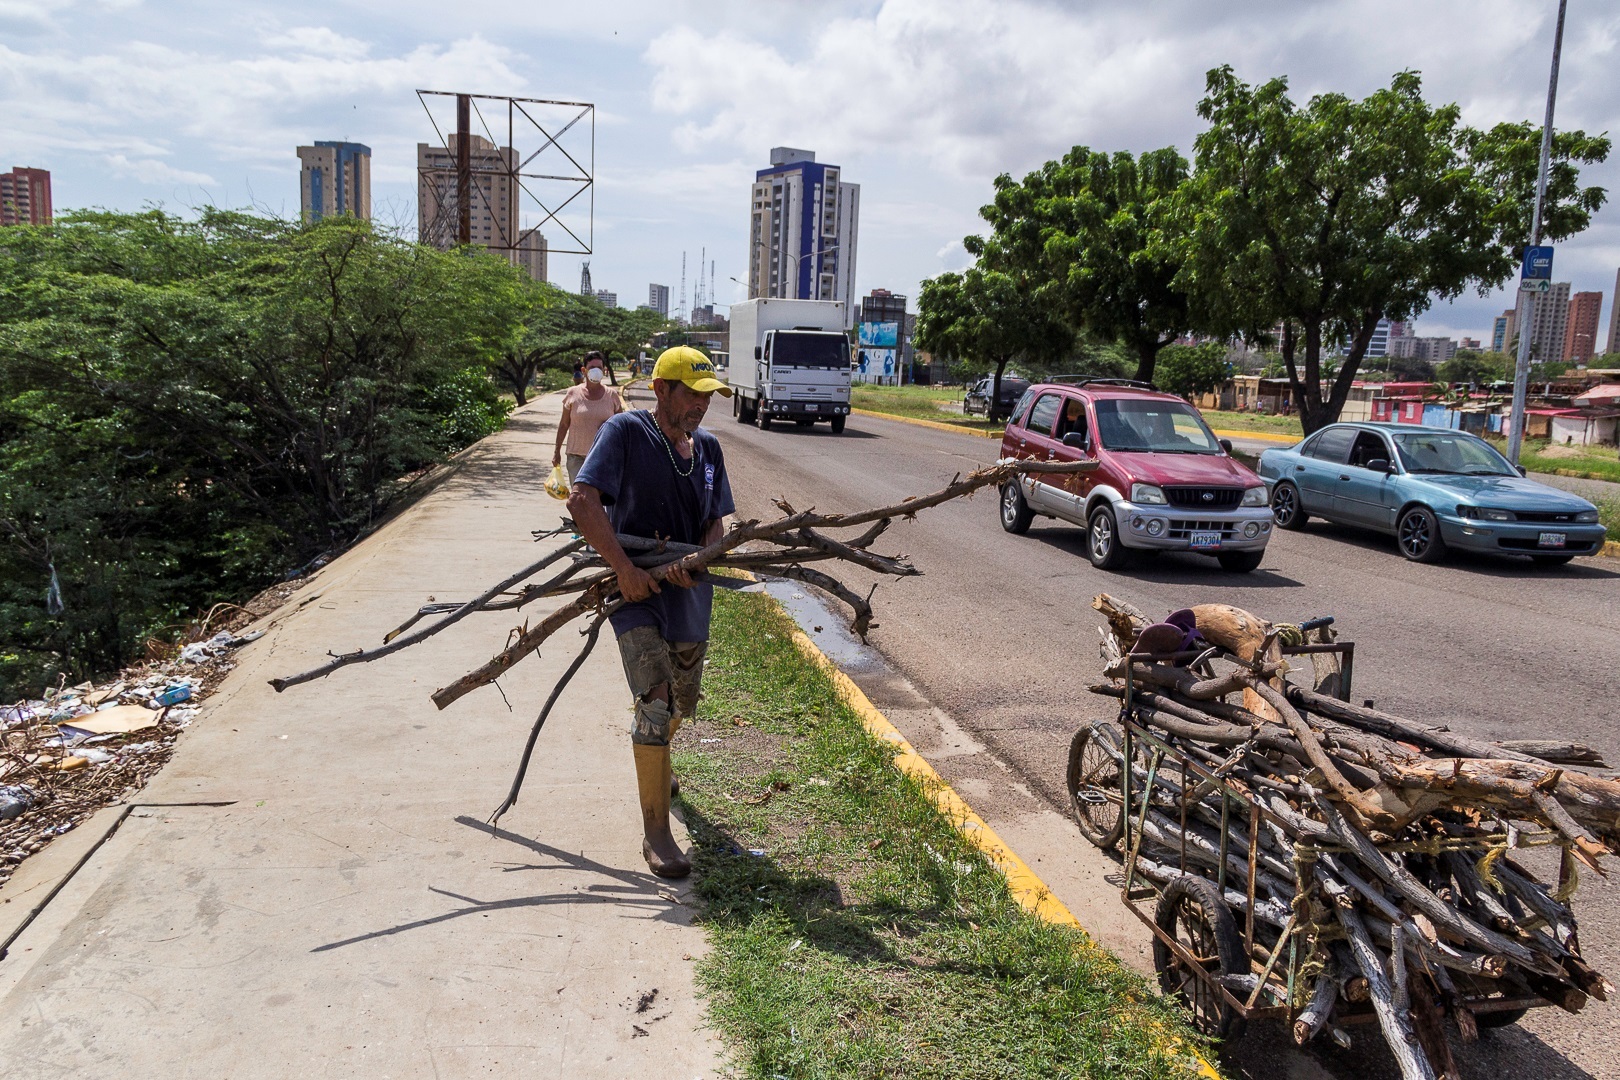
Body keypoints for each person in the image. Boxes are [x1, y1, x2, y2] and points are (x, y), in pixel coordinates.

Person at [567, 346, 734, 878]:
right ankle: (657, 834)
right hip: (634, 595)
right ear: (662, 389)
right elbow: (582, 501)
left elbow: (715, 524)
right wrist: (623, 569)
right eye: (693, 394)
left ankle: (661, 762)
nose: (701, 407)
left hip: (688, 593)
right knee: (656, 699)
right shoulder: (626, 434)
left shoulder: (707, 449)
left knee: (683, 701)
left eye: (708, 397)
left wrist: (702, 557)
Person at [553, 352, 624, 481]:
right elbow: (564, 425)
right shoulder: (572, 394)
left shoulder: (612, 396)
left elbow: (622, 428)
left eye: (599, 368)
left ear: (604, 370)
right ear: (584, 370)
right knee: (579, 497)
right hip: (576, 458)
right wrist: (556, 452)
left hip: (603, 457)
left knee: (598, 499)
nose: (596, 371)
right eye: (592, 368)